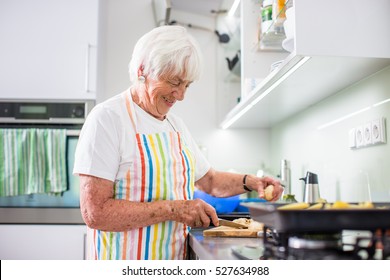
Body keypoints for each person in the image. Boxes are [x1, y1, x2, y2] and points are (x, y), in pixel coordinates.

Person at [73, 25, 283, 260]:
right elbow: (95, 212)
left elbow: (210, 181)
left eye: (187, 85)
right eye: (174, 82)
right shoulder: (107, 119)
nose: (181, 95)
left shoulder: (175, 125)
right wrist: (176, 209)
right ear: (143, 70)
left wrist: (252, 182)